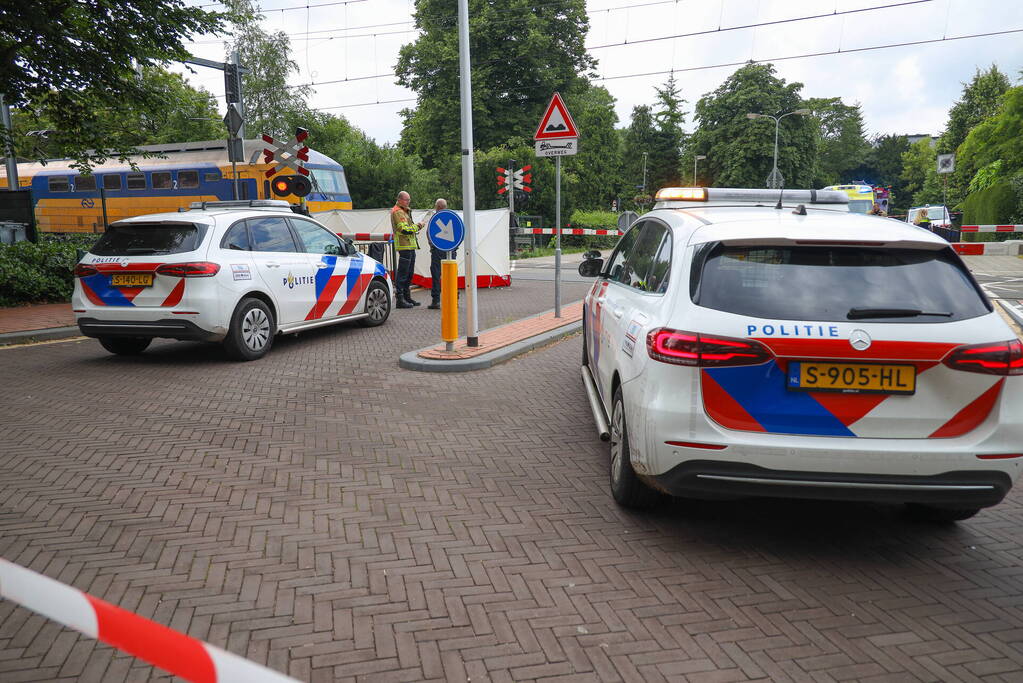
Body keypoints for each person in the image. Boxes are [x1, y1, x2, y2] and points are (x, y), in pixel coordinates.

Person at [391, 191, 422, 308]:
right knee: (403, 274)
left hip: (409, 246)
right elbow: (404, 230)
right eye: (406, 200)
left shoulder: (404, 211)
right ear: (399, 200)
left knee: (409, 273)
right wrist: (418, 226)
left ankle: (407, 297)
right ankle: (400, 299)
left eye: (409, 200)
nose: (408, 202)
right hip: (404, 246)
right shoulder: (397, 212)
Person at [425, 198, 456, 309]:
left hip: (437, 251)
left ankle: (436, 301)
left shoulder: (435, 218)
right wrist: (454, 247)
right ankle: (454, 300)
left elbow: (429, 233)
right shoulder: (452, 216)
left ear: (437, 207)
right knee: (451, 275)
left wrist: (432, 246)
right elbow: (458, 233)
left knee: (436, 275)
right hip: (451, 250)